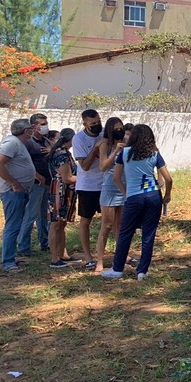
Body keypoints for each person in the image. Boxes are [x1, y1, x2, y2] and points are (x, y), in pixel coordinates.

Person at [102, 124, 173, 281]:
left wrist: (126, 193)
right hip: (154, 195)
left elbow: (116, 178)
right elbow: (168, 178)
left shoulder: (125, 153)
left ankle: (117, 268)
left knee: (125, 232)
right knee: (148, 234)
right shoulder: (154, 154)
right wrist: (167, 195)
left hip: (134, 196)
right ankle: (142, 271)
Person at [0, 118, 37, 273]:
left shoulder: (18, 143)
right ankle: (8, 263)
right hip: (12, 192)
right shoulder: (11, 143)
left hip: (19, 191)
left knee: (16, 225)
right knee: (12, 226)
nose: (32, 131)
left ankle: (10, 258)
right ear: (26, 131)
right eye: (30, 129)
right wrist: (14, 183)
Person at [94, 118, 128, 272]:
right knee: (106, 225)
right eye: (116, 128)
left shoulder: (127, 143)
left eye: (120, 128)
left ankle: (119, 258)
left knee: (120, 226)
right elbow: (102, 167)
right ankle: (99, 261)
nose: (119, 131)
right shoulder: (104, 145)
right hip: (109, 187)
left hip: (124, 186)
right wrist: (115, 152)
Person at [72, 109, 104, 268]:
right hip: (88, 186)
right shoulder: (78, 139)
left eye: (98, 122)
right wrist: (96, 147)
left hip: (106, 184)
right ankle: (87, 256)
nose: (97, 125)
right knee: (86, 221)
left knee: (112, 220)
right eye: (93, 124)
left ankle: (110, 254)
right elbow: (84, 166)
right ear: (85, 124)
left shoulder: (104, 133)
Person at [18, 112, 52, 257]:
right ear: (34, 126)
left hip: (48, 182)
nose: (45, 127)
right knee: (31, 214)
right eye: (42, 124)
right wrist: (36, 176)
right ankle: (23, 247)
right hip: (36, 183)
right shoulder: (28, 142)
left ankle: (44, 243)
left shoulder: (46, 141)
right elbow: (24, 163)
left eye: (46, 123)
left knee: (44, 215)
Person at [47, 129, 79, 269]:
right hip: (60, 191)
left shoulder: (65, 152)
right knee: (56, 224)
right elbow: (67, 178)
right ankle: (55, 258)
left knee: (62, 224)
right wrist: (86, 179)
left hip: (65, 191)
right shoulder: (61, 154)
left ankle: (62, 254)